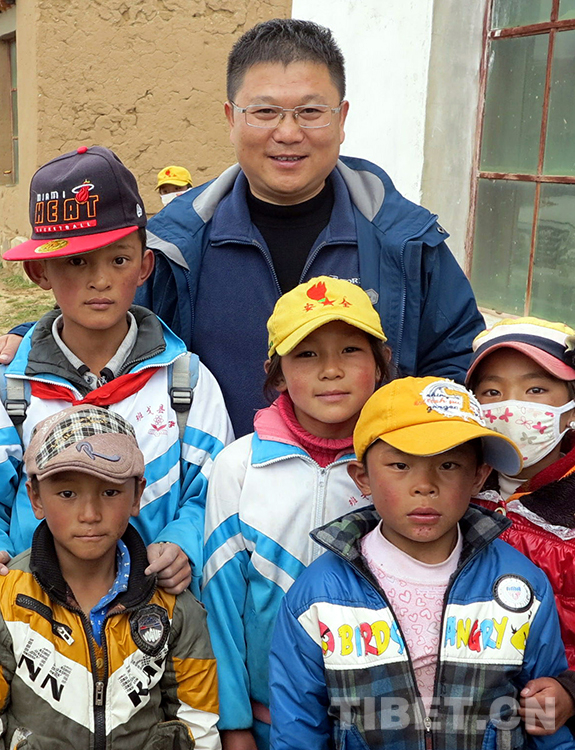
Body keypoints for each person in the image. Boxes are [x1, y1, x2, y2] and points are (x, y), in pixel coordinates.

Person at [129, 18, 484, 437]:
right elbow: (110, 349)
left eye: (310, 112)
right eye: (264, 112)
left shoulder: (405, 241)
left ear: (341, 118)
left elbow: (457, 366)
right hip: (210, 478)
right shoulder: (173, 247)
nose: (288, 133)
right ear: (231, 118)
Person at [268, 375, 575, 749]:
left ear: (479, 476)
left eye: (449, 465)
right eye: (400, 465)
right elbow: (298, 729)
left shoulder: (521, 586)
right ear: (362, 477)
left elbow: (546, 715)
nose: (424, 485)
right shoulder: (318, 596)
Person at [0, 145, 233, 596]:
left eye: (119, 259)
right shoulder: (12, 388)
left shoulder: (184, 382)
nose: (101, 280)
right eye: (76, 261)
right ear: (39, 271)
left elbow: (212, 490)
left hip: (157, 615)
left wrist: (181, 543)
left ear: (144, 266)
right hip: (34, 613)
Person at [202, 276, 392, 750]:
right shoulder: (239, 467)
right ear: (278, 373)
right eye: (306, 354)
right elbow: (221, 606)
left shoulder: (399, 466)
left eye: (351, 350)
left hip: (380, 723)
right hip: (266, 723)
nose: (331, 370)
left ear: (380, 364)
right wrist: (234, 724)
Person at [0, 404, 221, 749]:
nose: (90, 514)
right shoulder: (7, 600)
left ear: (137, 494)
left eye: (110, 492)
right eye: (68, 494)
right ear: (35, 498)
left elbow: (198, 726)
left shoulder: (174, 606)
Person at [467, 316, 575, 735]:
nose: (511, 407)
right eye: (492, 392)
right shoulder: (456, 488)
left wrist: (571, 691)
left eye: (536, 390)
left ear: (570, 406)